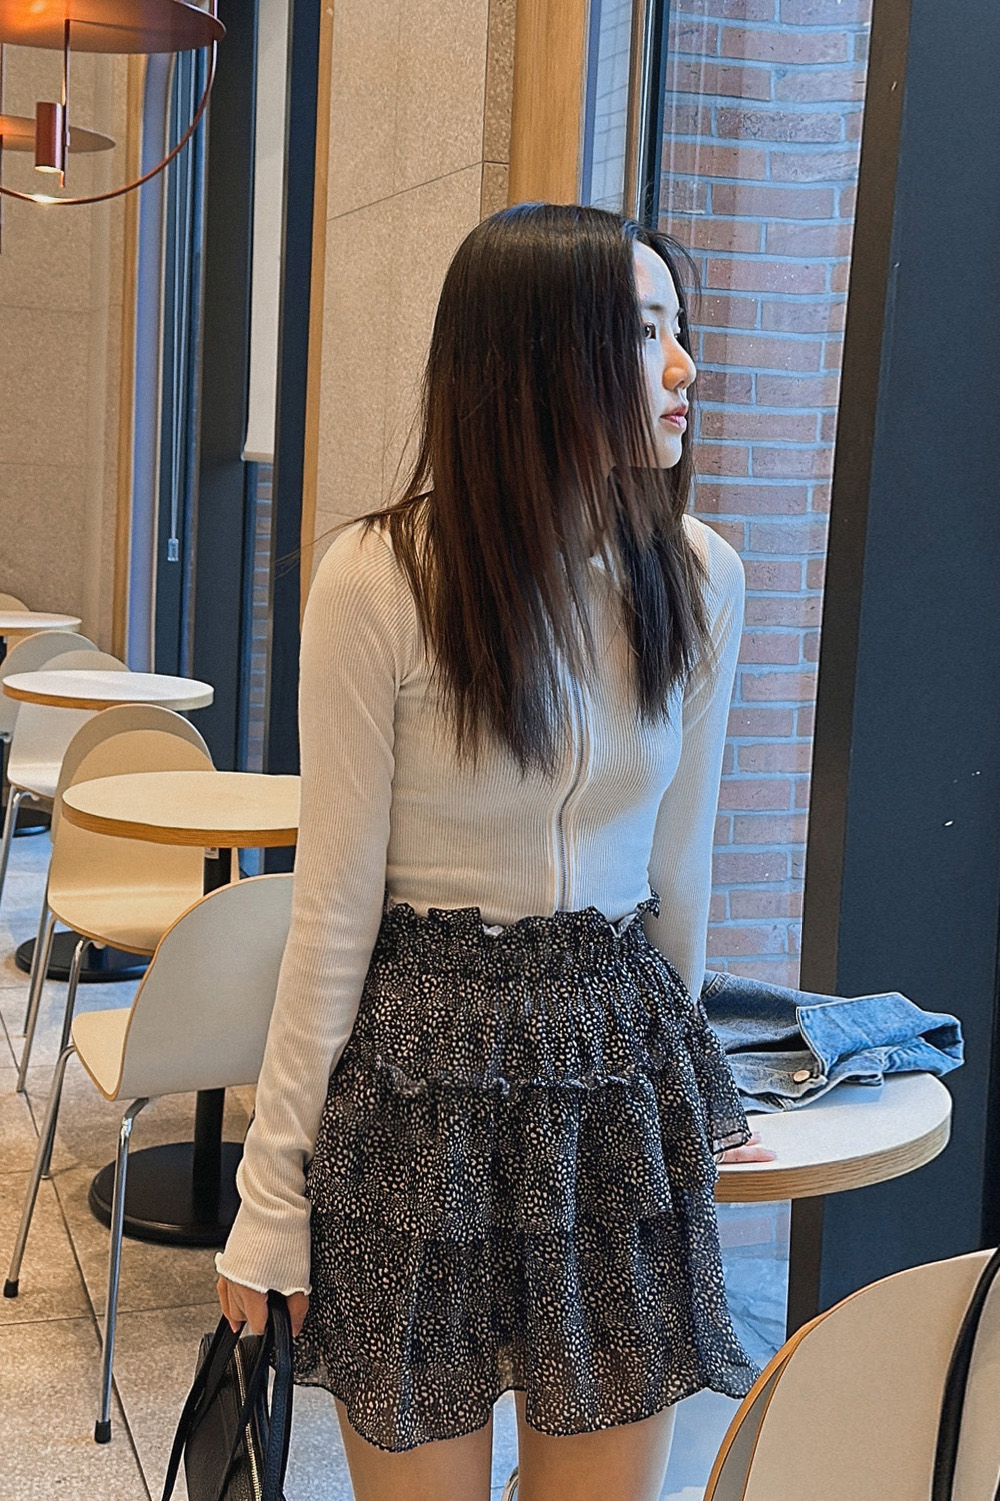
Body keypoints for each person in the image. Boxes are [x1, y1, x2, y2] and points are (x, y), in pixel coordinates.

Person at [216, 202, 774, 1501]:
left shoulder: (700, 577)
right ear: (534, 357)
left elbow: (680, 868)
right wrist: (272, 1196)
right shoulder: (381, 577)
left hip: (613, 1071)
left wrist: (688, 1080)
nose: (685, 367)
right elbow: (333, 910)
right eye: (644, 333)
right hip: (421, 1078)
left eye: (679, 329)